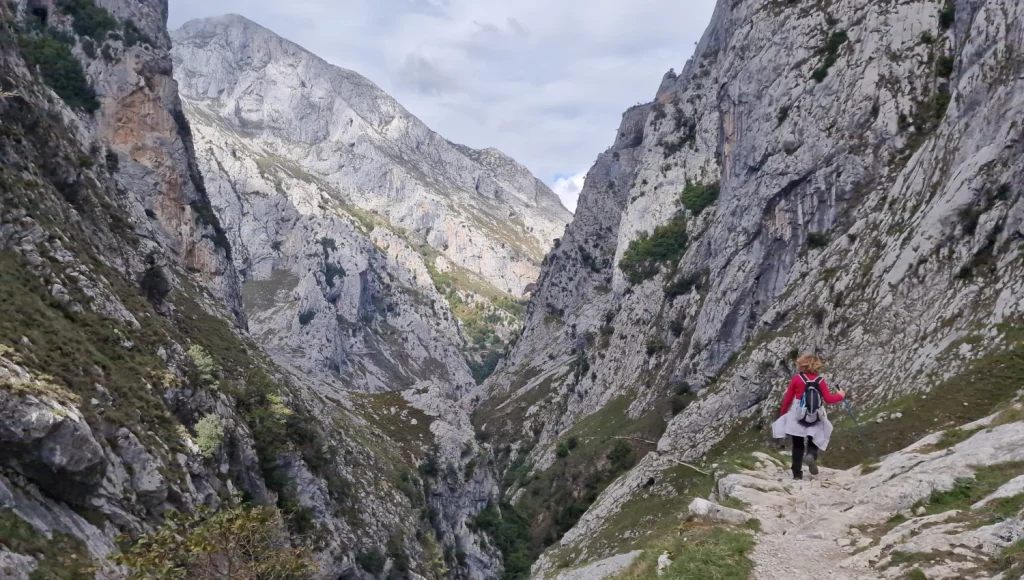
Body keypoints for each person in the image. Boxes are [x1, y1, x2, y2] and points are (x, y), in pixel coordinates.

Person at [772, 354, 845, 480]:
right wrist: (841, 395)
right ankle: (811, 454)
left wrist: (784, 415)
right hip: (815, 414)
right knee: (815, 437)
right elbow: (828, 399)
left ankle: (797, 474)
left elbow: (787, 399)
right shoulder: (820, 381)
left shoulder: (796, 379)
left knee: (798, 444)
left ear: (802, 365)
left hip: (797, 413)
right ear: (817, 366)